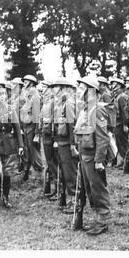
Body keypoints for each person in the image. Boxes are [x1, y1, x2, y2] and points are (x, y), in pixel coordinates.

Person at [73, 76, 115, 235]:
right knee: (91, 189)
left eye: (82, 88)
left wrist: (99, 161)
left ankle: (103, 220)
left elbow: (103, 138)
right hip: (85, 155)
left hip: (93, 157)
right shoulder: (86, 108)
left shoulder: (96, 110)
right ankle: (98, 218)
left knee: (98, 188)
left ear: (90, 91)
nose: (79, 91)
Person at [52, 78, 78, 213]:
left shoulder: (68, 104)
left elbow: (72, 126)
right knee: (64, 172)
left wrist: (73, 145)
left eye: (55, 87)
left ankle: (74, 201)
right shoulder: (60, 105)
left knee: (70, 173)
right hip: (62, 142)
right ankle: (68, 199)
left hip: (68, 143)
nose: (53, 90)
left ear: (63, 88)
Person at [20, 75, 44, 181]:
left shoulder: (35, 96)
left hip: (32, 127)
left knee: (34, 151)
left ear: (32, 83)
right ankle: (28, 171)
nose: (24, 83)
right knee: (27, 150)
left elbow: (37, 115)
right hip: (26, 126)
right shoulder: (28, 95)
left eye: (26, 81)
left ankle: (39, 175)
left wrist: (37, 132)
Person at [111, 78, 129, 169]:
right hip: (116, 123)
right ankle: (122, 159)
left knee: (123, 143)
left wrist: (125, 125)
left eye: (115, 84)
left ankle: (126, 161)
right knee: (119, 143)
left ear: (119, 86)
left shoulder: (121, 97)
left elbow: (124, 112)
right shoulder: (116, 96)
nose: (113, 86)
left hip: (121, 124)